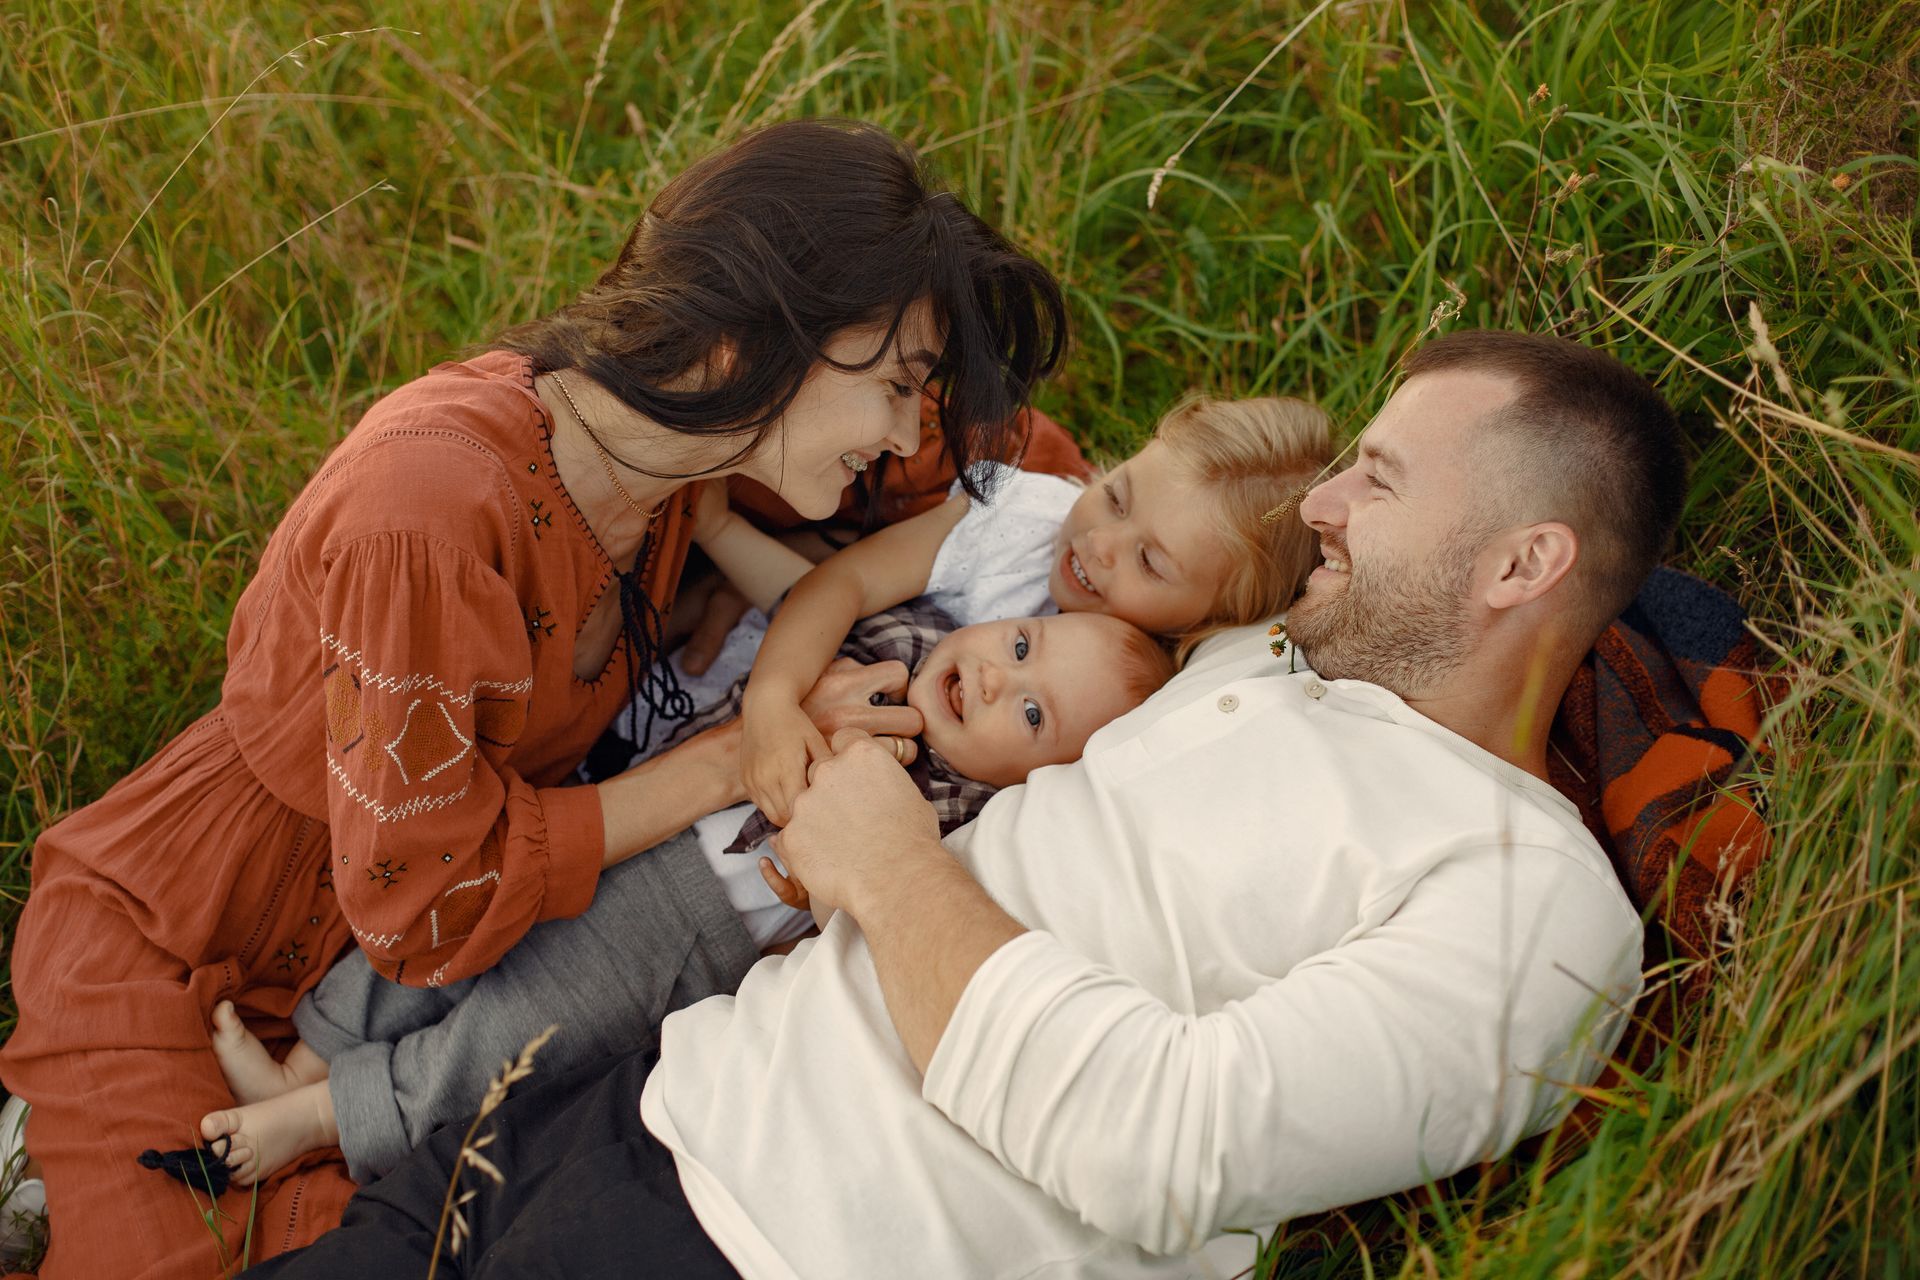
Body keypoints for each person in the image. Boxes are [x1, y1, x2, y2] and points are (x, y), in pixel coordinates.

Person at [244, 328, 1680, 1280]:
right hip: (633, 1097)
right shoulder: (1255, 655)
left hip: (779, 1244)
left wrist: (886, 865)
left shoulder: (1525, 904)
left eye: (1376, 479)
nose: (1322, 507)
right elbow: (1077, 544)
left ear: (1518, 564)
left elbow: (1168, 1147)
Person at [0, 117, 1066, 1279]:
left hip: (415, 1009)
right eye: (902, 384)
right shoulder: (430, 505)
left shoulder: (692, 457)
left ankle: (58, 1182)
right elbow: (424, 901)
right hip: (200, 935)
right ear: (761, 332)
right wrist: (733, 755)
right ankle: (52, 1154)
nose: (913, 429)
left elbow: (1047, 484)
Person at [196, 597, 1175, 1189]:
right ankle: (309, 1055)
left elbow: (859, 935)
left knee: (513, 1030)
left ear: (1033, 781)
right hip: (637, 812)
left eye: (1036, 711)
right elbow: (817, 596)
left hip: (691, 929)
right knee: (471, 914)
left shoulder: (953, 819)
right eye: (1024, 642)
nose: (1003, 679)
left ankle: (328, 1119)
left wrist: (829, 887)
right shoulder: (905, 640)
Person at [739, 394, 1334, 822]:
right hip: (777, 670)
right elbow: (845, 582)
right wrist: (771, 698)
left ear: (1208, 620)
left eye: (1150, 562)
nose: (1100, 544)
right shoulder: (1024, 521)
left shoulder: (1136, 707)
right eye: (1116, 497)